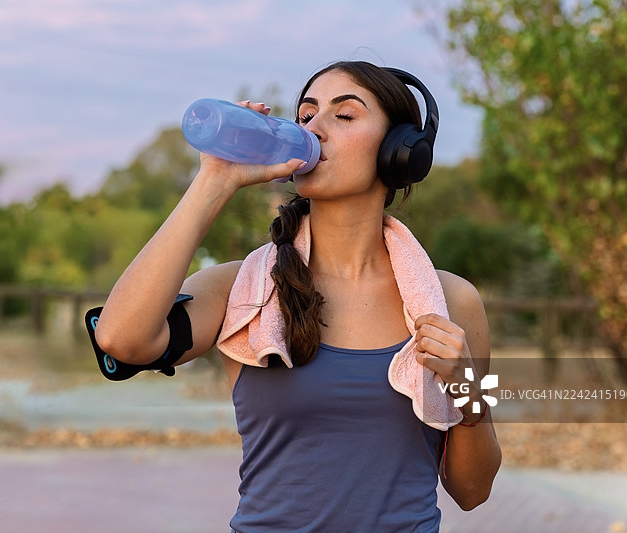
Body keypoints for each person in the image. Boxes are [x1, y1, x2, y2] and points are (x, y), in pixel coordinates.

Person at [94, 60, 502, 532]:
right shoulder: (243, 289)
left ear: (400, 151)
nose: (314, 128)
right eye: (306, 115)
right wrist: (214, 181)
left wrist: (469, 391)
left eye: (343, 115)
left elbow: (473, 492)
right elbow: (121, 339)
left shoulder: (453, 301)